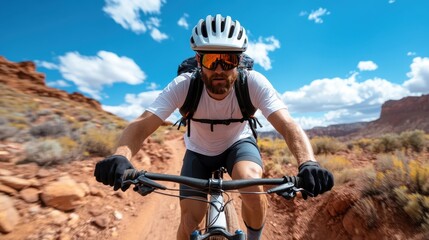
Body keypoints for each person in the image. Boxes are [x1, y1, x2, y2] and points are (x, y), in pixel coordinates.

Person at [94, 14, 334, 240]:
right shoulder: (184, 85)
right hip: (198, 152)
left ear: (239, 62)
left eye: (228, 60)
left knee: (251, 183)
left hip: (238, 145)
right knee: (189, 221)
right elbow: (143, 124)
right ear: (199, 61)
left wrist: (308, 162)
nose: (219, 68)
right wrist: (120, 156)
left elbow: (287, 123)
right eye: (211, 59)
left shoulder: (252, 83)